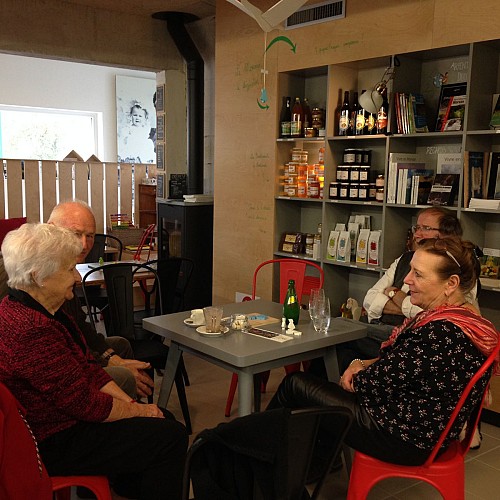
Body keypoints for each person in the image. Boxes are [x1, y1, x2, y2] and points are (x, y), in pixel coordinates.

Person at [268, 236, 499, 466]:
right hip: (428, 429)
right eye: (410, 271)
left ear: (451, 284)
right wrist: (360, 363)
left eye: (418, 274)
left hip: (406, 439)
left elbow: (368, 385)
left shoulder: (439, 332)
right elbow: (404, 367)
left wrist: (357, 369)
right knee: (331, 363)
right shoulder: (467, 322)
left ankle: (256, 456)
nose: (407, 280)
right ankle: (319, 458)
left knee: (295, 384)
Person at [0, 223, 187, 499]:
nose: (76, 277)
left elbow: (88, 366)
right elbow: (86, 405)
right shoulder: (30, 329)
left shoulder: (43, 310)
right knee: (171, 436)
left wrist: (133, 405)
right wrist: (140, 412)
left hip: (65, 422)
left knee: (163, 420)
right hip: (52, 439)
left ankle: (127, 487)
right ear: (39, 276)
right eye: (68, 269)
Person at [336, 206, 479, 373]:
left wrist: (394, 293)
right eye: (417, 228)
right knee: (338, 339)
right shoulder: (406, 259)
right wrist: (406, 304)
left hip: (404, 336)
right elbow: (369, 299)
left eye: (425, 228)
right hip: (385, 328)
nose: (417, 234)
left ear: (447, 235)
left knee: (337, 336)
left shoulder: (461, 271)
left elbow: (448, 313)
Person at [48, 200, 155, 399]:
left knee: (120, 344)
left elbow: (80, 326)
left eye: (89, 236)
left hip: (71, 350)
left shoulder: (66, 267)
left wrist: (111, 356)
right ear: (50, 230)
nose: (84, 244)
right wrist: (108, 362)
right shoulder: (43, 273)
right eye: (75, 234)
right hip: (61, 366)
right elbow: (64, 347)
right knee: (124, 376)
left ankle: (133, 411)